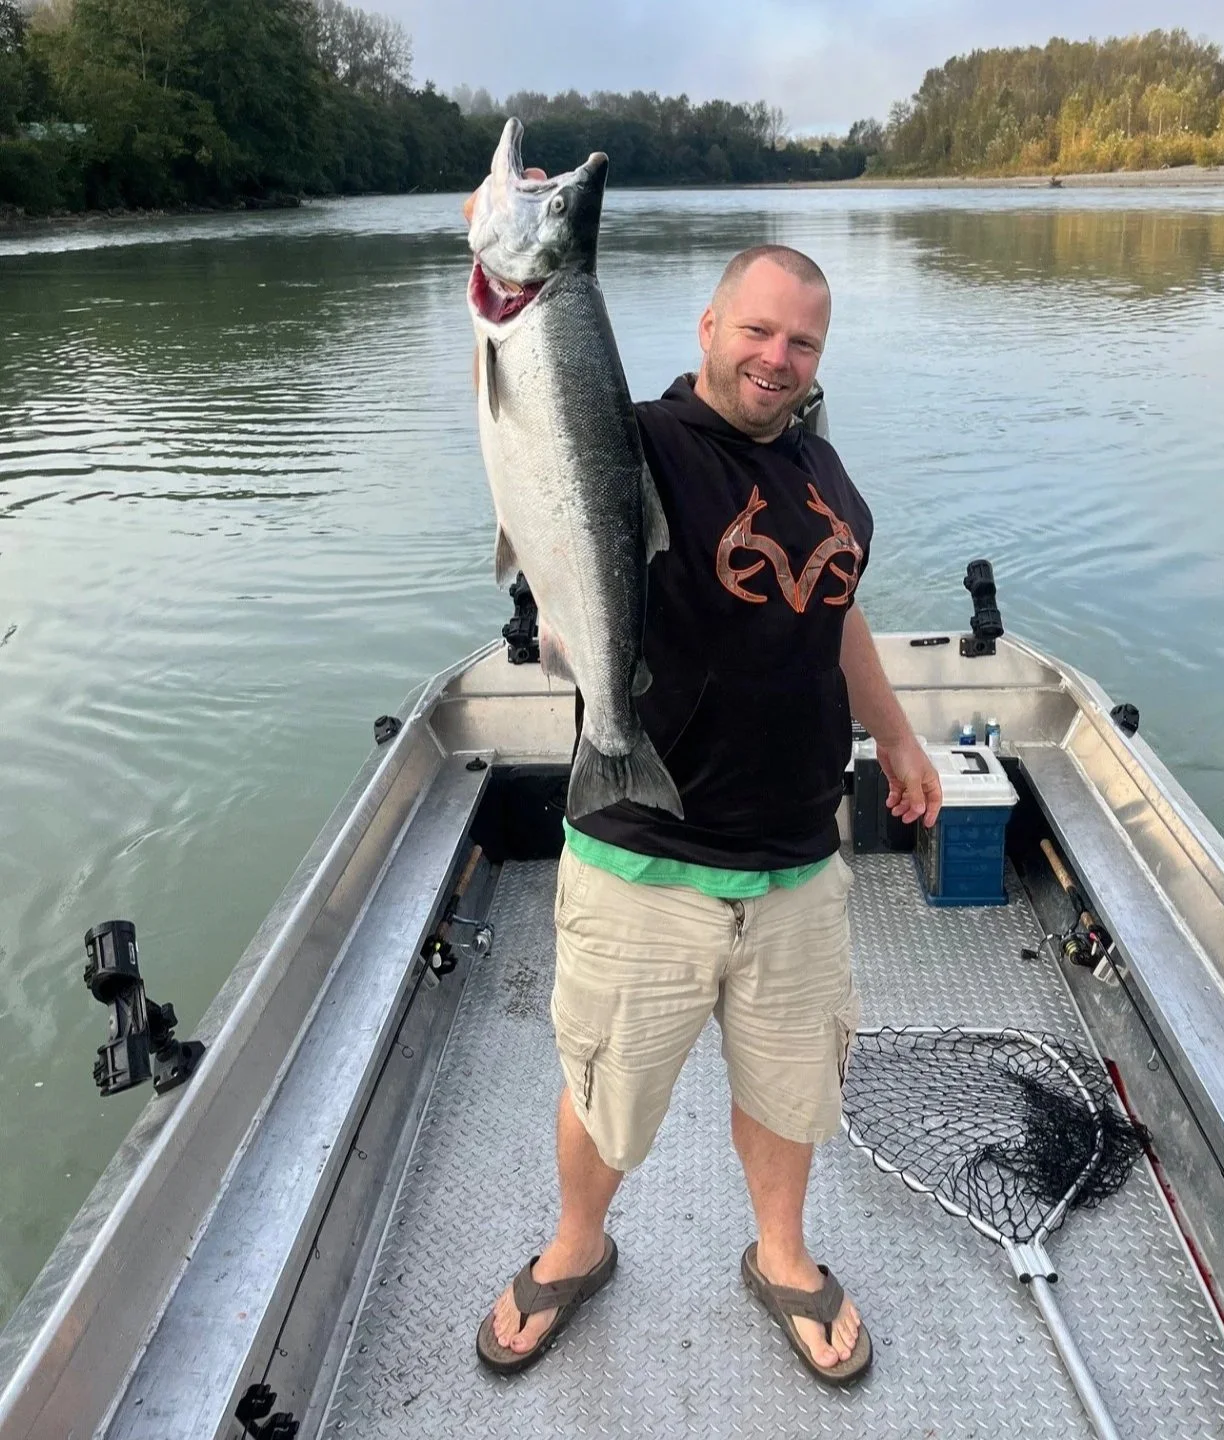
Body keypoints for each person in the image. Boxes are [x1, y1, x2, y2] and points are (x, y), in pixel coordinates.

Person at [475, 239, 942, 1385]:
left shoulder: (822, 468)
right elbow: (529, 416)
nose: (777, 359)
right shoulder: (630, 445)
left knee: (792, 1090)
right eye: (759, 331)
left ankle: (781, 1256)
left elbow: (836, 609)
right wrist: (500, 284)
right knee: (606, 1091)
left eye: (803, 343)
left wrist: (896, 734)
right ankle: (577, 1245)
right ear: (708, 326)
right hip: (643, 863)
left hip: (797, 862)